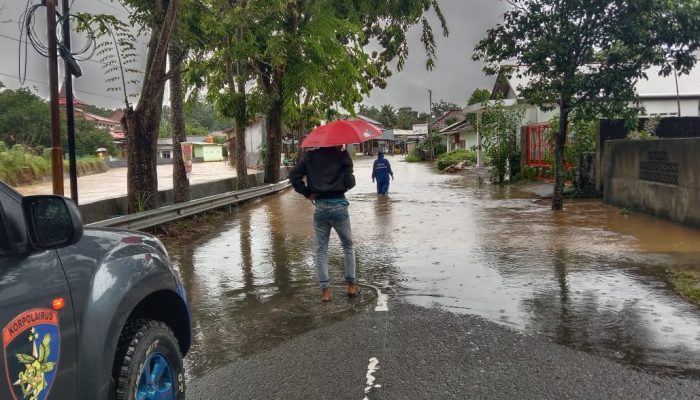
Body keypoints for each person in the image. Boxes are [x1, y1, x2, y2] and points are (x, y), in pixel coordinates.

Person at [289, 146, 359, 302]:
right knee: (348, 246)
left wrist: (307, 192)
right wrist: (345, 169)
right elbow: (350, 182)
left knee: (321, 250)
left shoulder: (310, 156)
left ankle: (325, 292)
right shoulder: (342, 155)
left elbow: (293, 176)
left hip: (320, 207)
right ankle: (351, 287)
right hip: (339, 206)